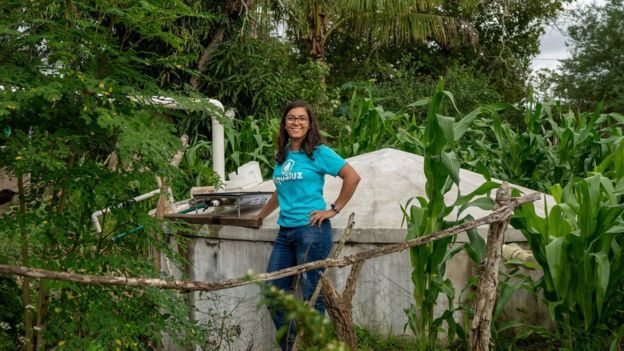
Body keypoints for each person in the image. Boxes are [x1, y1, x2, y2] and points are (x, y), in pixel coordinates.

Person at [256, 100, 360, 350]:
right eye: (291, 118)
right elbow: (280, 191)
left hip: (311, 230)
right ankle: (292, 346)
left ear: (310, 123)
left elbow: (352, 177)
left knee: (313, 295)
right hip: (285, 232)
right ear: (284, 123)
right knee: (273, 292)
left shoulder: (318, 152)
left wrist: (333, 209)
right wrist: (260, 216)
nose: (296, 122)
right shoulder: (282, 155)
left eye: (302, 118)